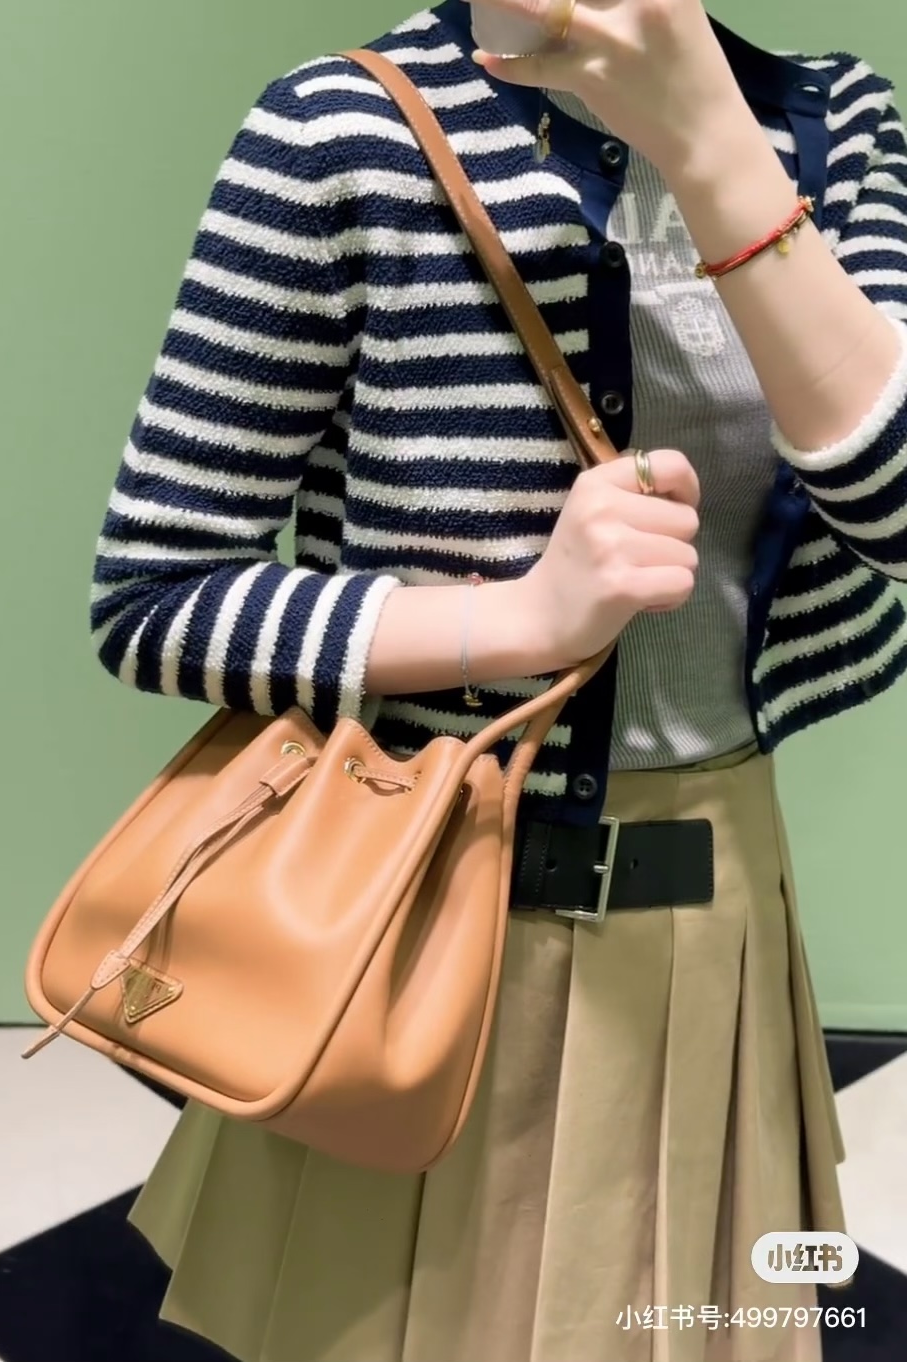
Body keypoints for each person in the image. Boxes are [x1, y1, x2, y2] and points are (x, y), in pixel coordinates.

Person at [89, 2, 907, 1358]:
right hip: (417, 920)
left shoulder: (838, 125)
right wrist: (517, 618)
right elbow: (155, 597)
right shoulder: (337, 132)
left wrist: (712, 143)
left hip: (715, 922)